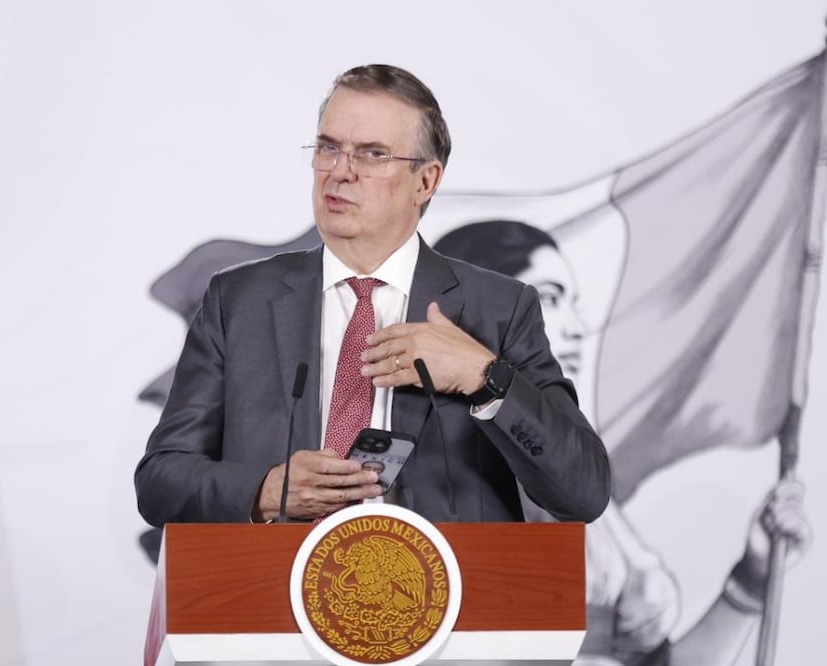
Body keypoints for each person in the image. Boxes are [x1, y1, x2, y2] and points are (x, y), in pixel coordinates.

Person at [134, 64, 611, 526]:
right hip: (277, 593)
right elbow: (160, 482)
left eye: (372, 154)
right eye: (328, 148)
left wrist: (483, 375)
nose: (340, 172)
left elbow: (583, 491)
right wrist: (265, 490)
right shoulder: (238, 302)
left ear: (426, 181)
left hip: (444, 595)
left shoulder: (500, 309)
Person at [434, 220, 813, 666]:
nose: (577, 326)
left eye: (571, 303)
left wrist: (751, 581)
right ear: (475, 319)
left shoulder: (572, 485)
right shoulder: (444, 479)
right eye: (550, 298)